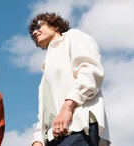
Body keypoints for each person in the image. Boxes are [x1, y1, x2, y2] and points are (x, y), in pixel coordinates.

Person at [28, 13, 111, 146]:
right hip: (53, 138)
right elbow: (46, 111)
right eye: (32, 31)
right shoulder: (46, 68)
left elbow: (90, 72)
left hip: (78, 127)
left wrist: (67, 107)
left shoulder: (74, 36)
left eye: (39, 26)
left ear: (55, 26)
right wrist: (38, 139)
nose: (35, 32)